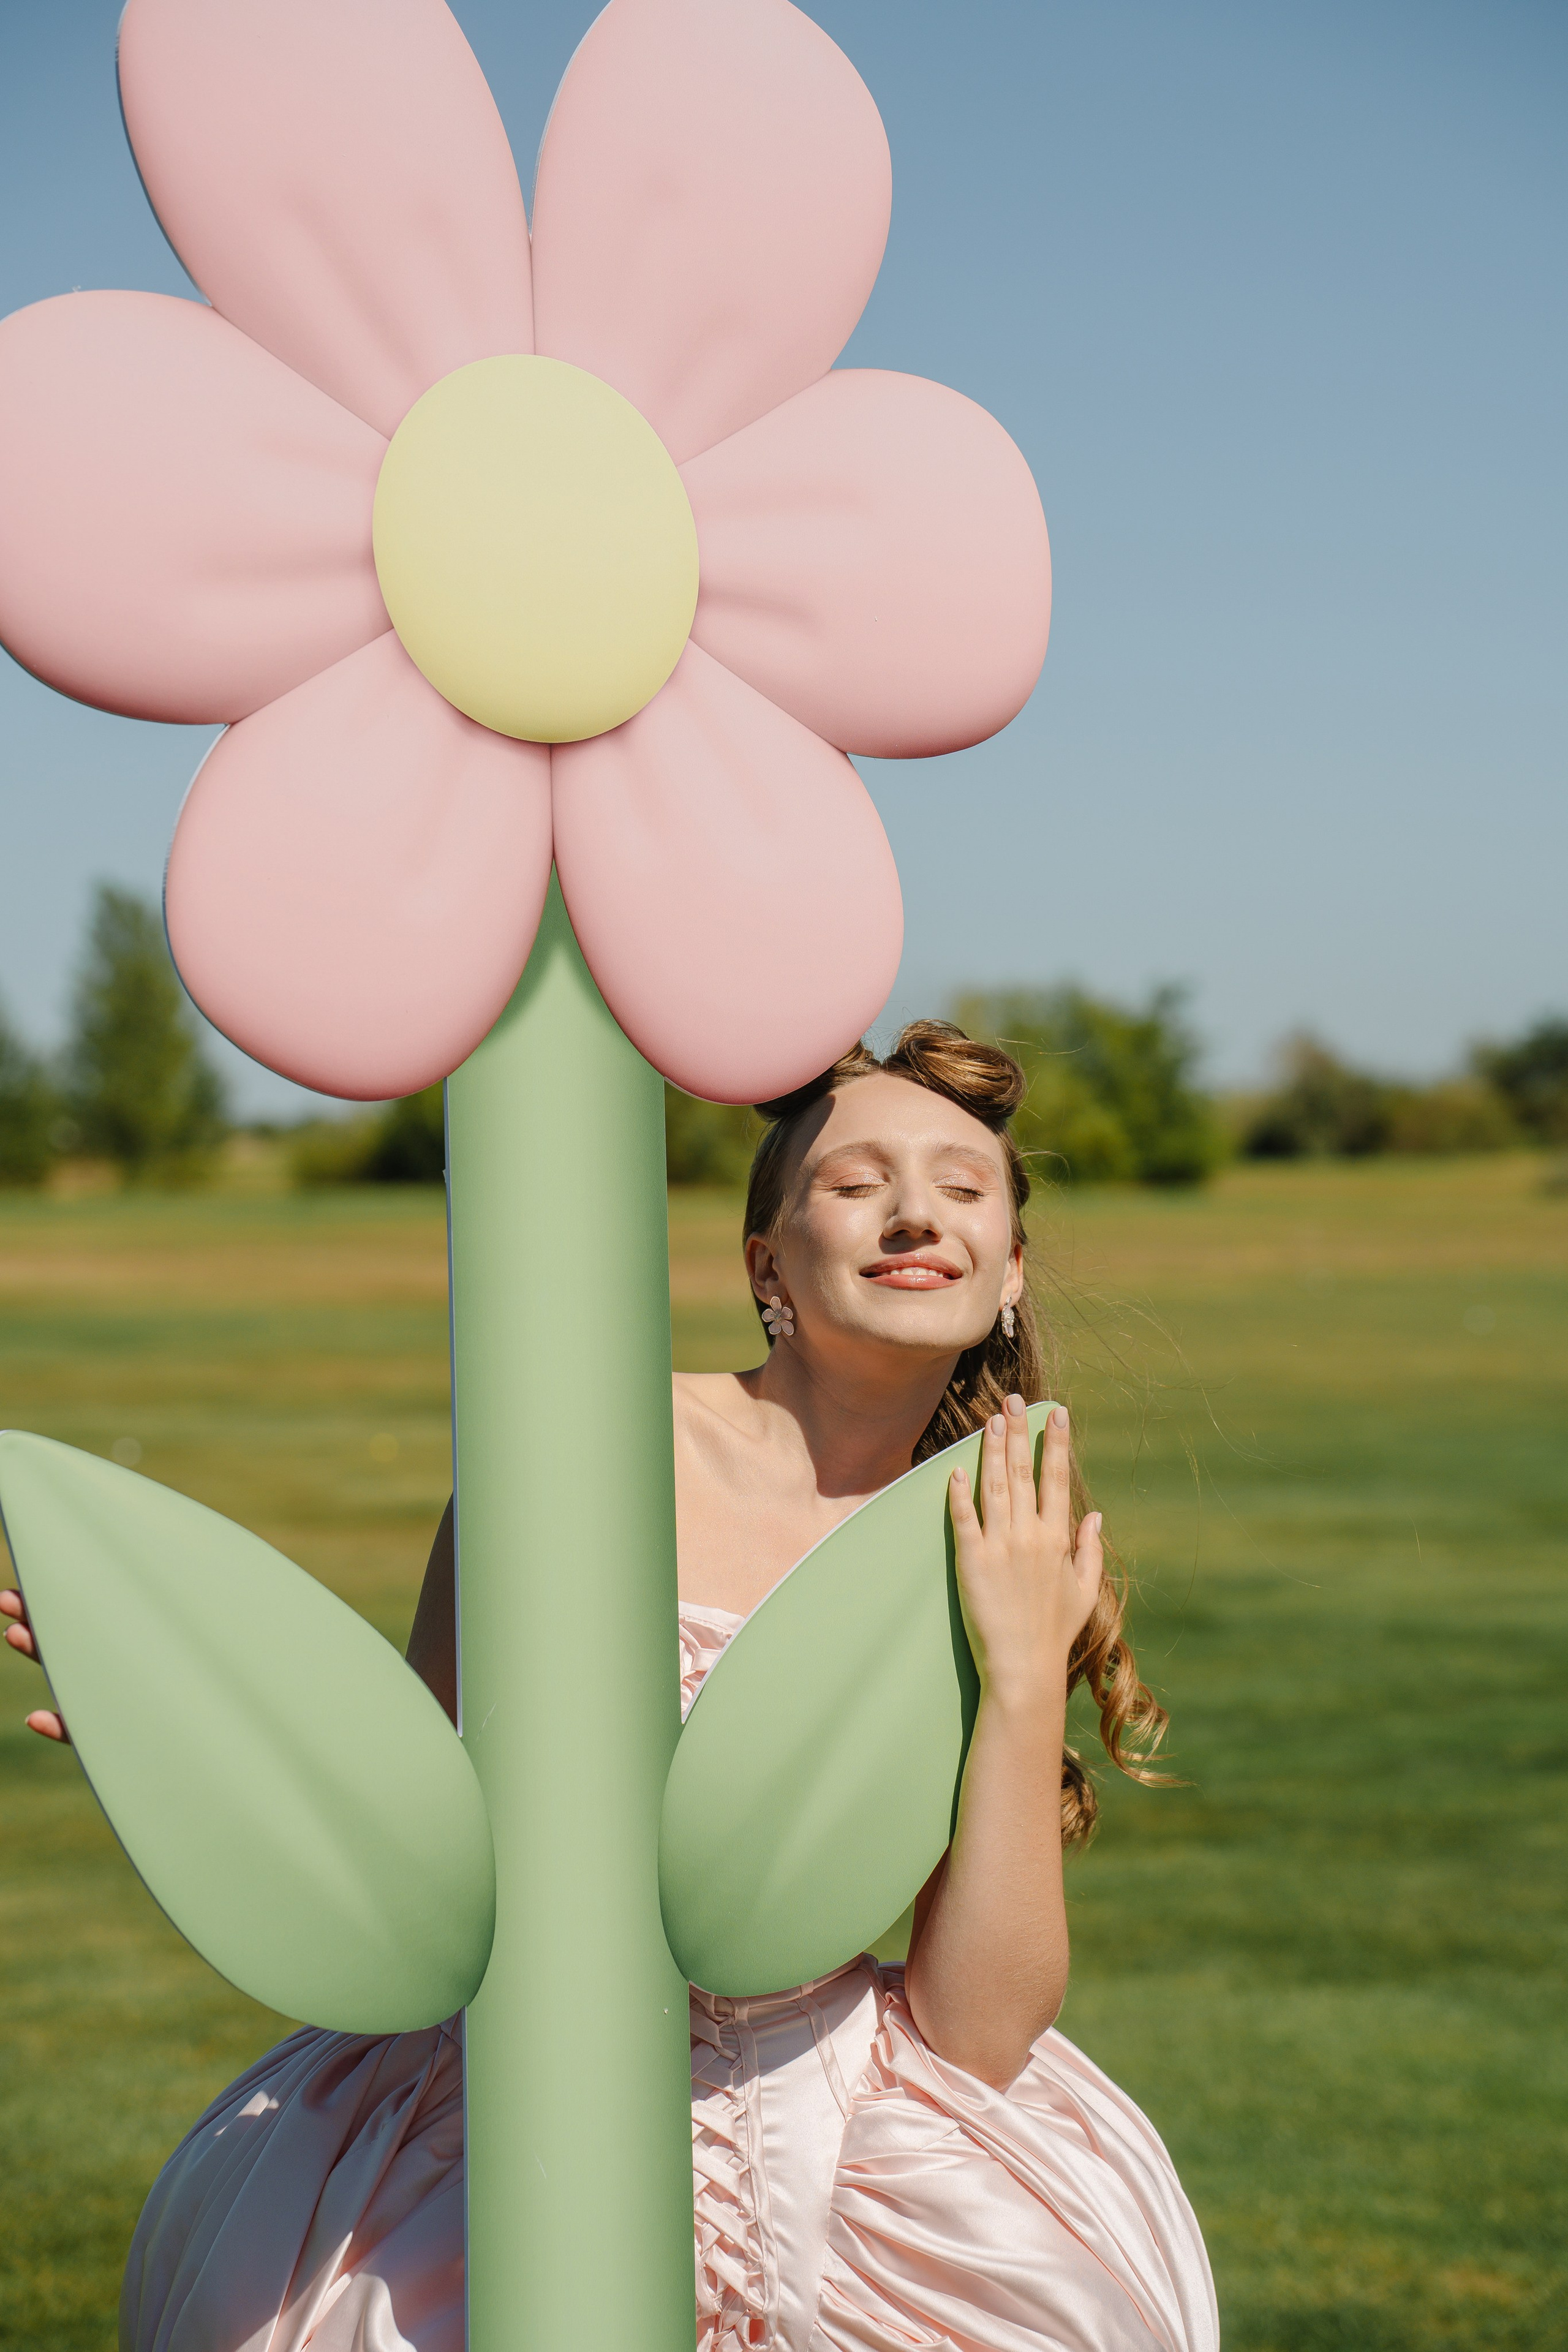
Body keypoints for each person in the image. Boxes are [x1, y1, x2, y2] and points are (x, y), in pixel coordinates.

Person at [4, 1021, 1218, 2352]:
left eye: (962, 1187)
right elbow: (409, 1837)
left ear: (1008, 1273)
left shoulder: (1000, 1523)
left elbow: (975, 2031)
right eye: (855, 1183)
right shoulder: (575, 1450)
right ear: (768, 1264)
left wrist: (1021, 1672)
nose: (914, 1212)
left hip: (834, 2131)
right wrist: (184, 1729)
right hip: (498, 2119)